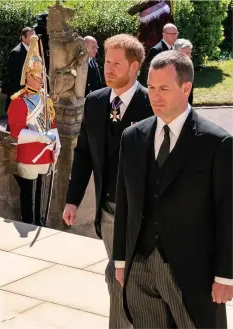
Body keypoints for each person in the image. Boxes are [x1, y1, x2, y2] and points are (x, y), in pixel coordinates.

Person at [113, 50, 232, 328]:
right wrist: (121, 259)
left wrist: (225, 276)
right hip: (140, 267)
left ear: (186, 88)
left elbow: (228, 212)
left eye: (164, 88)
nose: (155, 95)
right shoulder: (132, 137)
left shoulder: (217, 143)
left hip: (192, 272)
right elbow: (125, 203)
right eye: (152, 87)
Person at [63, 34, 153, 329]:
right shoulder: (95, 101)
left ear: (134, 66)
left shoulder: (151, 104)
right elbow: (84, 154)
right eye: (107, 61)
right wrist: (73, 199)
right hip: (108, 212)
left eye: (117, 63)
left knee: (122, 278)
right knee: (120, 279)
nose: (109, 68)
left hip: (142, 217)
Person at [7, 34, 60, 227]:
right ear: (28, 76)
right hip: (29, 152)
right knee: (28, 190)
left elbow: (51, 124)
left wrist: (57, 142)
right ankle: (28, 220)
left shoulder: (46, 99)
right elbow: (16, 132)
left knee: (41, 190)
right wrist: (39, 136)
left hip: (45, 152)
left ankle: (39, 220)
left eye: (41, 76)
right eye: (37, 77)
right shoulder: (19, 101)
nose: (41, 80)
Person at [3, 27, 35, 114]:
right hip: (20, 92)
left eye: (34, 37)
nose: (34, 39)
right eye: (31, 37)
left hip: (31, 91)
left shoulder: (34, 50)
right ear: (23, 38)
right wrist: (22, 93)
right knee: (15, 120)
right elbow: (14, 77)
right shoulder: (16, 53)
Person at [173, 38, 194, 105]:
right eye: (187, 53)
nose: (190, 56)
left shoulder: (188, 66)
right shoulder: (169, 68)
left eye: (190, 53)